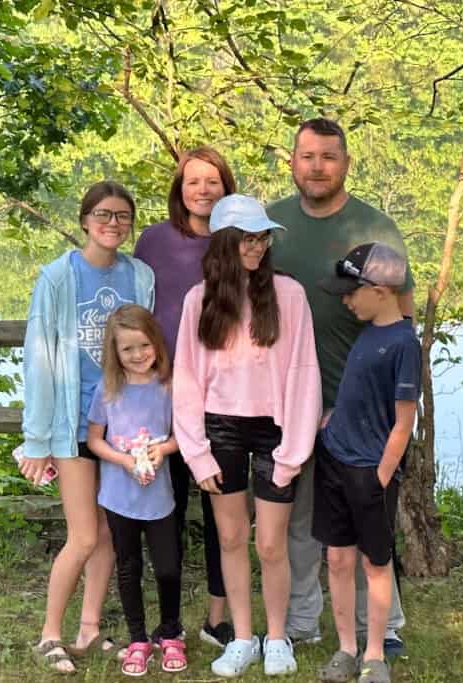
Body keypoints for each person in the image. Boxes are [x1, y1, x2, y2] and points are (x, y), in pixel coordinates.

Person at [268, 118, 415, 656]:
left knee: (367, 518)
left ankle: (386, 625)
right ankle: (304, 621)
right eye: (307, 156)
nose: (317, 167)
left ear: (346, 162)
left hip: (359, 412)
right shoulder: (273, 223)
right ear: (292, 161)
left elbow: (402, 317)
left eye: (328, 156)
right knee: (302, 521)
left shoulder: (373, 227)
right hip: (290, 402)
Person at [173, 194, 322, 677]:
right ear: (224, 243)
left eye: (262, 237)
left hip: (275, 431)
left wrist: (293, 450)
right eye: (248, 238)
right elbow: (188, 380)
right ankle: (241, 637)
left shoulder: (288, 296)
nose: (257, 246)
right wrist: (197, 454)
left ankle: (276, 638)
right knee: (232, 538)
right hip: (221, 430)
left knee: (271, 544)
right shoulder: (200, 300)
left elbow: (304, 374)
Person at [18, 181, 155, 674]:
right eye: (103, 213)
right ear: (84, 219)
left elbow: (146, 352)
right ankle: (50, 634)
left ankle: (90, 629)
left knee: (111, 534)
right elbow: (38, 357)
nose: (112, 223)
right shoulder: (57, 277)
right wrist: (37, 440)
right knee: (82, 535)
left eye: (122, 215)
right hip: (72, 423)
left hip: (123, 427)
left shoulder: (140, 276)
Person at [133, 147, 237, 649]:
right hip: (162, 396)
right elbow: (135, 316)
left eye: (212, 181)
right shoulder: (153, 241)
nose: (202, 190)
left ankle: (219, 616)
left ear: (225, 187)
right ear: (179, 188)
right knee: (164, 512)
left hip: (223, 399)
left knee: (222, 510)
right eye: (193, 181)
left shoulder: (239, 241)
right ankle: (167, 620)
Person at [313, 243, 419, 683]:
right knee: (337, 560)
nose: (344, 299)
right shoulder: (368, 330)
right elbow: (359, 391)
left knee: (375, 563)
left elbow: (403, 421)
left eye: (351, 292)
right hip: (334, 459)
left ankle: (374, 654)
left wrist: (381, 475)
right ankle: (346, 648)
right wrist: (332, 421)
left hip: (369, 471)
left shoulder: (402, 343)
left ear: (379, 290)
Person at [86, 305, 186, 676]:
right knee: (129, 567)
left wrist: (161, 450)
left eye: (144, 345)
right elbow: (95, 440)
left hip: (159, 498)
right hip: (118, 496)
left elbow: (182, 436)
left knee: (168, 567)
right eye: (127, 349)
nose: (138, 355)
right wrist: (125, 461)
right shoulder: (108, 388)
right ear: (115, 353)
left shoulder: (169, 386)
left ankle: (171, 632)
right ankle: (139, 639)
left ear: (156, 344)